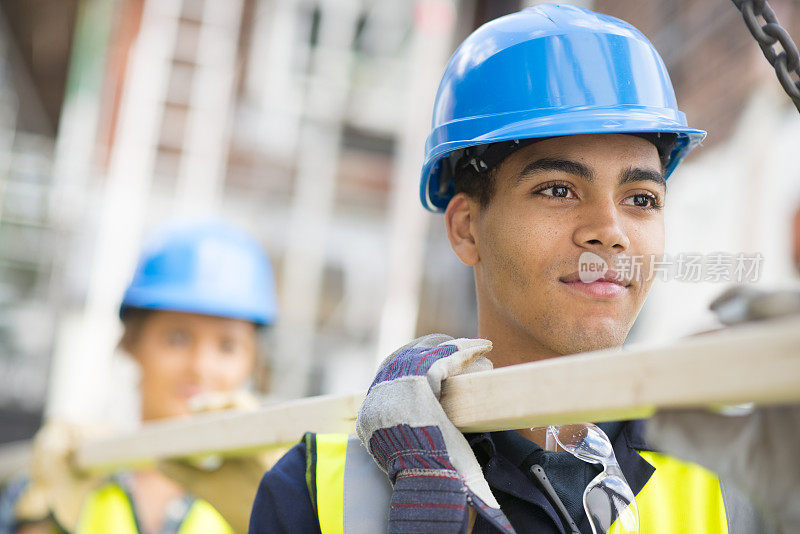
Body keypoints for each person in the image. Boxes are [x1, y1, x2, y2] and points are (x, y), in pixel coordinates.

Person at [248, 5, 766, 534]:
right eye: (559, 190)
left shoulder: (737, 482)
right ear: (467, 228)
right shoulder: (321, 494)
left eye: (641, 198)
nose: (610, 231)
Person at [7, 220, 277, 534]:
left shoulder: (272, 499)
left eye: (227, 346)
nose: (201, 366)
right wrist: (43, 517)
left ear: (253, 361)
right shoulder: (63, 476)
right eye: (177, 338)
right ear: (132, 342)